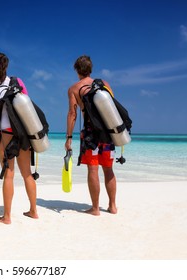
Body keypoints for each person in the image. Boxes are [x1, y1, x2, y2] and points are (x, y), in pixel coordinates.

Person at [0, 52, 38, 224]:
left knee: (9, 174)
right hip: (23, 133)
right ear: (6, 66)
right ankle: (33, 211)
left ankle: (7, 217)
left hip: (6, 135)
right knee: (27, 174)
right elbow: (28, 108)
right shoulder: (17, 82)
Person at [65, 55, 117, 216]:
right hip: (108, 132)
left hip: (90, 134)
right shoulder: (105, 84)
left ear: (77, 70)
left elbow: (72, 114)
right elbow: (112, 108)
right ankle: (113, 206)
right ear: (90, 68)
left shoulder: (74, 89)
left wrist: (69, 138)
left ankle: (95, 208)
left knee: (93, 169)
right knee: (108, 169)